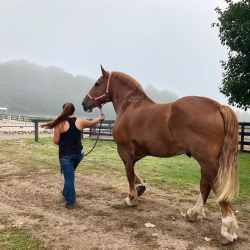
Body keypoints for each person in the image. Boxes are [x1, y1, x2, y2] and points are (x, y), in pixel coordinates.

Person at [41, 102, 105, 209]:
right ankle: (65, 192)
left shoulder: (59, 124)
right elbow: (93, 122)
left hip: (65, 155)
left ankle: (71, 201)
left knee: (69, 177)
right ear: (74, 110)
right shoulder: (80, 121)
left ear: (63, 110)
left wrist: (65, 143)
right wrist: (100, 118)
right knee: (69, 175)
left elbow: (56, 141)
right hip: (78, 154)